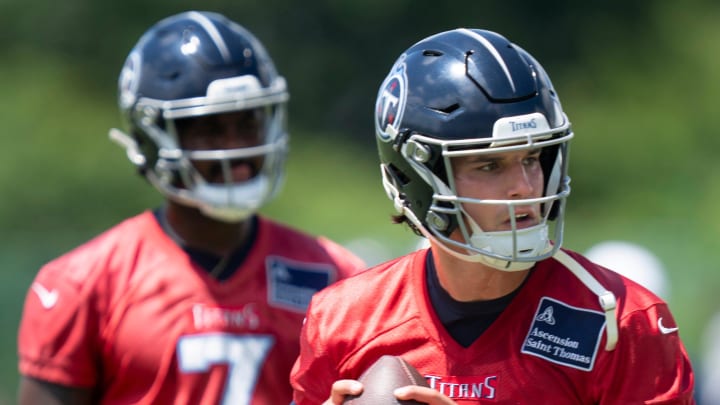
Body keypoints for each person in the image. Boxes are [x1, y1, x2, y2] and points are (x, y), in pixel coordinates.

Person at [290, 28, 695, 404]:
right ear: (417, 178)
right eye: (489, 166)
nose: (524, 186)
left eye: (532, 157)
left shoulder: (620, 323)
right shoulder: (343, 319)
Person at [17, 11, 364, 405]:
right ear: (152, 136)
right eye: (210, 128)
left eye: (247, 123)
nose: (236, 149)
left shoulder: (335, 276)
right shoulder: (85, 284)